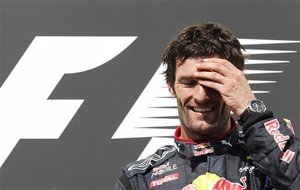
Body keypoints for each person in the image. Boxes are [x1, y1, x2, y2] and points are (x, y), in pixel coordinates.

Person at [115, 22, 300, 190]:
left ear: (235, 83)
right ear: (171, 87)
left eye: (213, 82)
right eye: (189, 83)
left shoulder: (269, 160)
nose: (201, 96)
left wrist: (251, 109)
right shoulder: (140, 180)